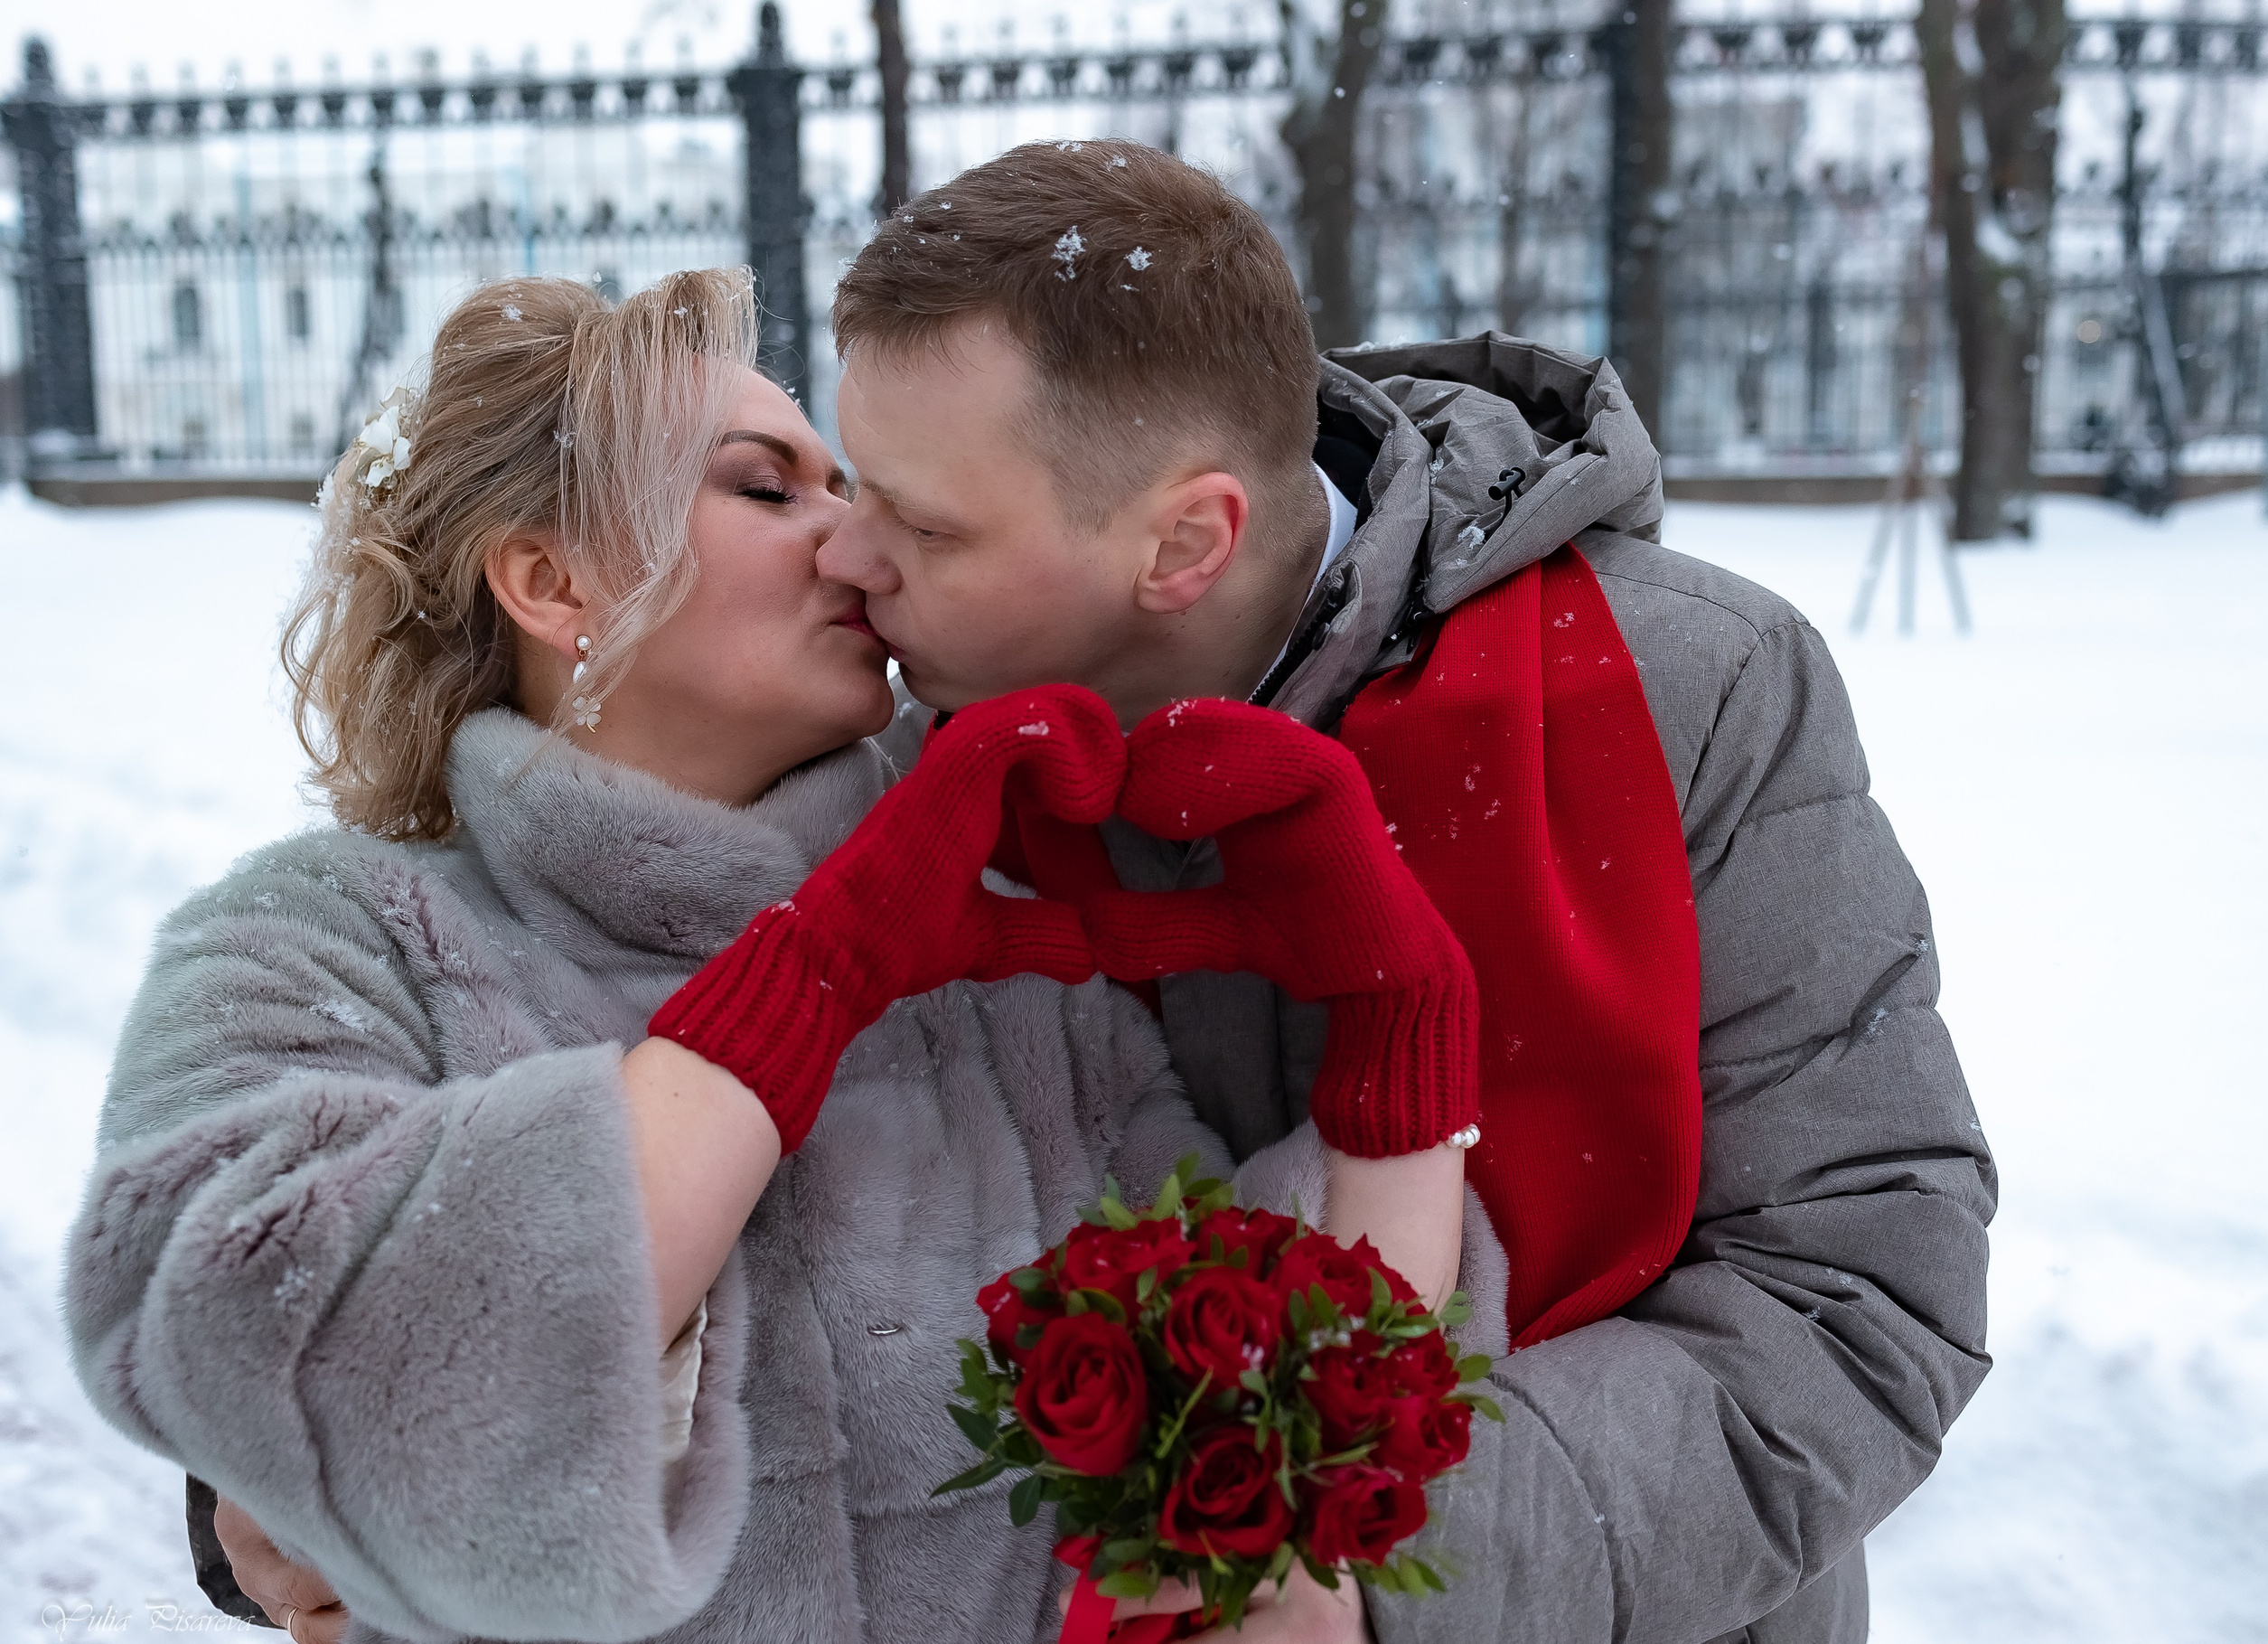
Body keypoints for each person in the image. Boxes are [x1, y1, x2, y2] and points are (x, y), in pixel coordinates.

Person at [70, 268, 1480, 1643]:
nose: (855, 543)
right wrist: (822, 971)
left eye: (849, 489)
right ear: (551, 580)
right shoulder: (314, 941)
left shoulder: (1008, 954)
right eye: (765, 486)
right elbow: (334, 1361)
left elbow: (1266, 1418)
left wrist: (1403, 1024)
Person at [818, 136, 1996, 1643]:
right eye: (857, 480)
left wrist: (1361, 1567)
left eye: (923, 525)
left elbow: (1861, 1285)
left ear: (1186, 542)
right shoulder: (914, 769)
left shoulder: (1685, 684)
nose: (848, 556)